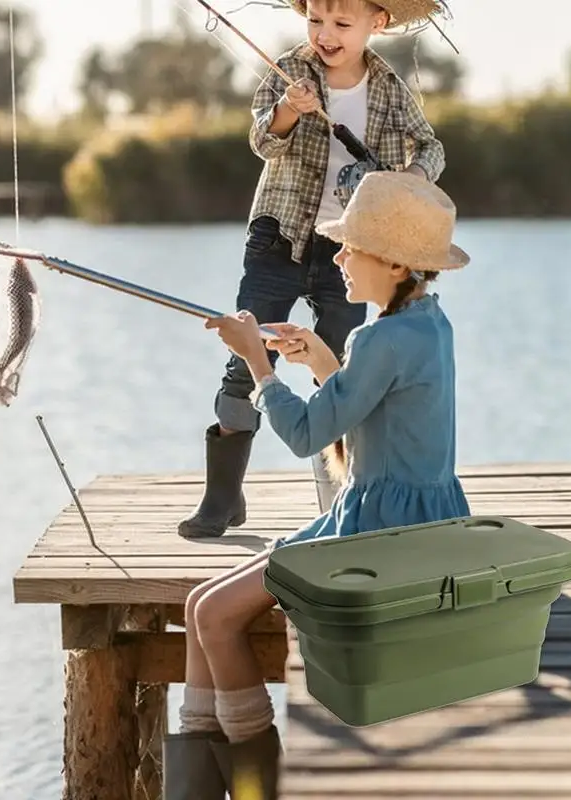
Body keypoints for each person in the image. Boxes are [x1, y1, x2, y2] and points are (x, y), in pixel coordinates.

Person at [162, 170, 472, 799]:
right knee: (198, 606)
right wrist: (326, 362)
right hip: (407, 515)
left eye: (349, 247)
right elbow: (364, 425)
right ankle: (197, 790)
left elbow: (307, 436)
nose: (337, 257)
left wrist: (258, 360)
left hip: (377, 535)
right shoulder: (426, 324)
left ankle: (259, 787)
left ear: (389, 261)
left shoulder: (379, 337)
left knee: (216, 617)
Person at [178, 0, 450, 539]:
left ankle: (338, 502)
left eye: (342, 24)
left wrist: (411, 177)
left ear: (378, 24)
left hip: (350, 251)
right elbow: (262, 139)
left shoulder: (391, 89)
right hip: (278, 236)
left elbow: (434, 147)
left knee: (343, 372)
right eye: (316, 20)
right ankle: (222, 499)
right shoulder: (290, 72)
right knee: (243, 356)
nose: (325, 34)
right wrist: (287, 110)